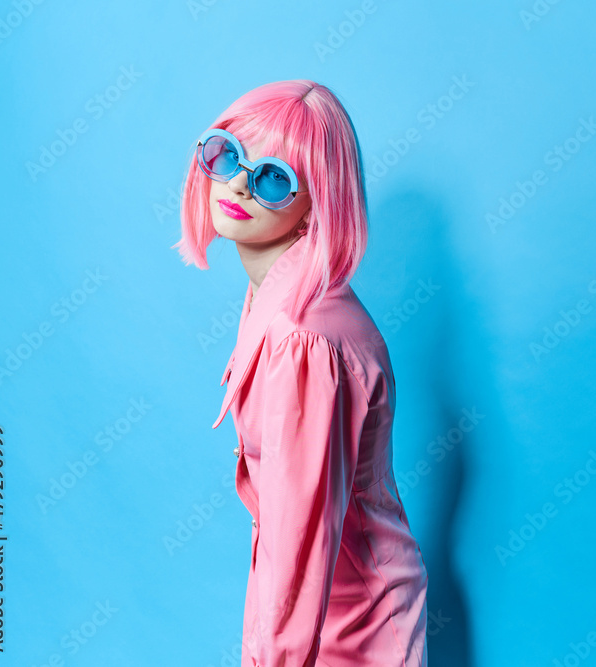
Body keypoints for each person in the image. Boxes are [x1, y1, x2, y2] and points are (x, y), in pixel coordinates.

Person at [173, 80, 429, 667]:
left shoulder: (302, 338)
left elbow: (298, 544)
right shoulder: (279, 293)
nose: (238, 184)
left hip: (351, 628)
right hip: (323, 613)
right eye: (226, 155)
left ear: (318, 201)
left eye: (272, 177)